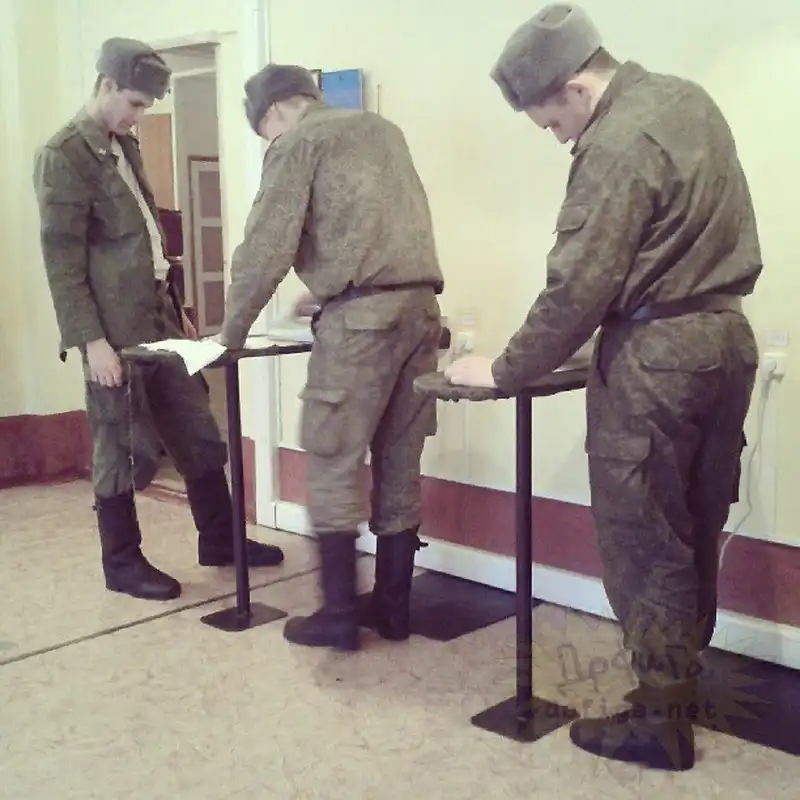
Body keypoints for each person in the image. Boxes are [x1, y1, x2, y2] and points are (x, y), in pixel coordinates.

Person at [446, 3, 761, 771]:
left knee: (645, 537)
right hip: (725, 341)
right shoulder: (687, 99)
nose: (558, 137)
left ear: (576, 88)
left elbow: (578, 286)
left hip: (658, 361)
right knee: (695, 526)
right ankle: (677, 690)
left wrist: (504, 368)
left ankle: (659, 724)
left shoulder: (616, 137)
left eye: (553, 121)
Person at [33, 37, 284, 602]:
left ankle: (219, 539)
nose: (139, 115)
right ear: (105, 86)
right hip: (113, 329)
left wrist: (179, 309)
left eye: (145, 106)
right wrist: (91, 341)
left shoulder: (123, 144)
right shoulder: (64, 155)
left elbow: (145, 239)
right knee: (119, 441)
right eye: (134, 103)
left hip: (160, 314)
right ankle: (122, 562)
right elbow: (62, 262)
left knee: (196, 426)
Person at [217, 64, 445, 652]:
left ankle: (339, 615)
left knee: (331, 458)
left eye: (265, 132)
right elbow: (377, 232)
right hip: (420, 311)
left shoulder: (298, 142)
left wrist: (229, 335)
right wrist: (329, 288)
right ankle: (393, 608)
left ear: (273, 112)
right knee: (399, 456)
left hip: (361, 324)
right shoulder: (381, 130)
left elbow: (264, 248)